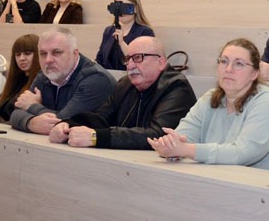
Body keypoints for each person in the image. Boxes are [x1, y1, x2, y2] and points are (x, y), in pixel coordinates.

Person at [148, 38, 269, 170]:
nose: (228, 69)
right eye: (224, 61)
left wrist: (185, 150)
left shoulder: (268, 101)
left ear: (254, 73)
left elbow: (242, 153)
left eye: (238, 64)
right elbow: (184, 137)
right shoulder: (209, 98)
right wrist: (170, 146)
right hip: (225, 177)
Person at [49, 37, 197, 149]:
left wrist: (96, 137)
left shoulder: (176, 87)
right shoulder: (125, 84)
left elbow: (158, 135)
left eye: (138, 58)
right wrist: (66, 125)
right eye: (127, 59)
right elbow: (100, 117)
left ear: (161, 62)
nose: (130, 65)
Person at [10, 27, 116, 134]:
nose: (48, 60)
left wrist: (32, 106)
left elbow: (63, 123)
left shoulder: (96, 79)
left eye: (57, 52)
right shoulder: (44, 75)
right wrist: (31, 123)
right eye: (43, 54)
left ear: (75, 54)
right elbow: (15, 113)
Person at [0, 34, 40, 122]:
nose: (21, 58)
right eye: (18, 54)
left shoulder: (40, 83)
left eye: (27, 54)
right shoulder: (16, 80)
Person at [96, 0, 155, 71]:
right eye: (118, 7)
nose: (121, 12)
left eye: (125, 7)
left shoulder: (145, 32)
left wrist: (121, 43)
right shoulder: (109, 31)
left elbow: (141, 63)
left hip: (133, 76)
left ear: (135, 9)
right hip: (109, 76)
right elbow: (100, 60)